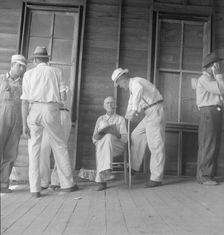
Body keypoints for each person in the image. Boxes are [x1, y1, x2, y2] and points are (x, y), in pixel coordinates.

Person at [21, 46, 77, 197]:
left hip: (33, 110)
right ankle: (67, 184)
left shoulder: (28, 74)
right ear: (47, 59)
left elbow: (24, 101)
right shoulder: (56, 72)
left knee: (34, 150)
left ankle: (35, 189)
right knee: (59, 145)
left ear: (35, 59)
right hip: (51, 109)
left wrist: (23, 124)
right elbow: (64, 97)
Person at [111, 68, 165, 188]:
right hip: (149, 113)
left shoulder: (136, 83)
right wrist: (127, 115)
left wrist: (135, 110)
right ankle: (134, 167)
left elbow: (138, 93)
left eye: (118, 83)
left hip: (155, 110)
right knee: (136, 134)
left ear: (122, 79)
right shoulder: (132, 88)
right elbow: (132, 103)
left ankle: (156, 178)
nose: (119, 86)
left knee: (156, 145)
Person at [195, 52, 224, 185]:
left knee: (213, 144)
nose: (219, 66)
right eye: (216, 64)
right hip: (209, 112)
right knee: (208, 144)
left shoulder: (213, 79)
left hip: (215, 112)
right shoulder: (204, 79)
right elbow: (221, 90)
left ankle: (208, 175)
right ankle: (204, 176)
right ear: (210, 66)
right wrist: (219, 76)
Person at [0, 55, 27, 193]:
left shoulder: (24, 84)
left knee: (11, 153)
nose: (21, 68)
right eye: (19, 65)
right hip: (1, 119)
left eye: (23, 66)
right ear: (12, 65)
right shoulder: (1, 79)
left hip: (17, 121)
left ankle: (3, 184)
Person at [92, 96, 128, 191]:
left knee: (107, 139)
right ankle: (106, 172)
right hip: (104, 146)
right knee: (102, 143)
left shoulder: (120, 119)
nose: (110, 105)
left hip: (117, 146)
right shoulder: (100, 119)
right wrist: (99, 138)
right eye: (107, 103)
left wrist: (117, 134)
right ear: (104, 106)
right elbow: (94, 139)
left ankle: (101, 182)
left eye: (112, 103)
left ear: (115, 105)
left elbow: (125, 139)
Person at [40, 87, 72, 190]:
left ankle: (56, 180)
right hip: (48, 115)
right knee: (43, 149)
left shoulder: (65, 88)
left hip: (62, 114)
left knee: (60, 149)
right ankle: (43, 181)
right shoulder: (46, 88)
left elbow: (62, 101)